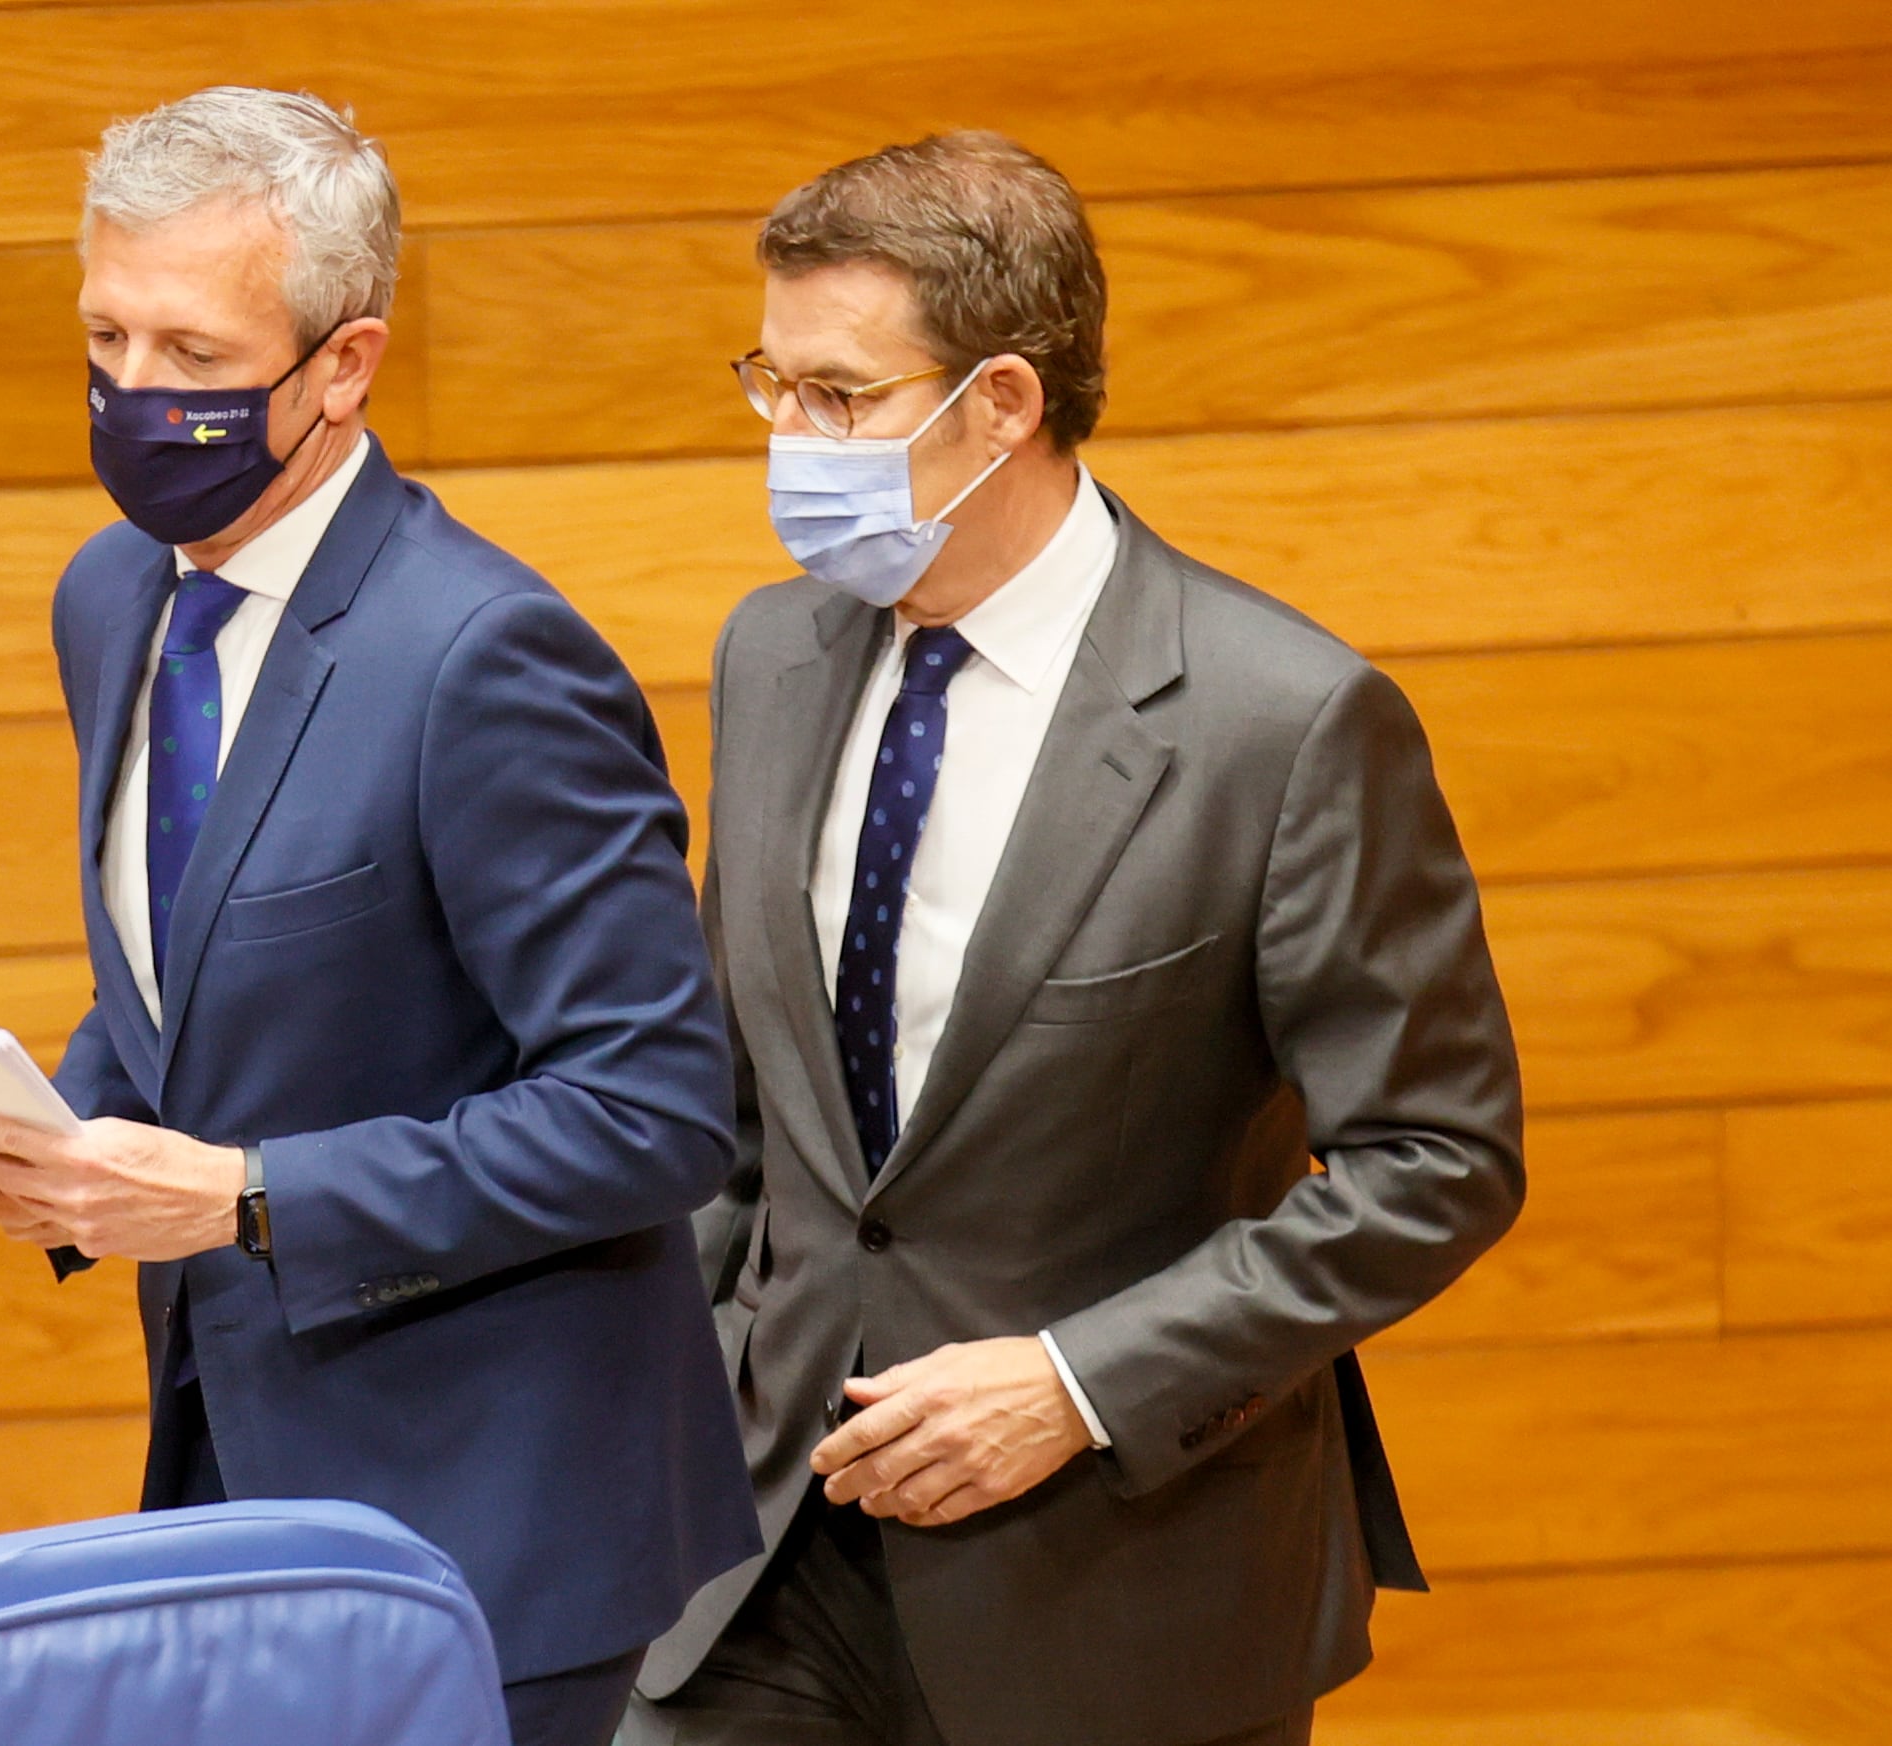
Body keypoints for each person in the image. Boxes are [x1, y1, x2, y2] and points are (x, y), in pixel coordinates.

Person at [626, 133, 1526, 1746]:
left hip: (1113, 1583)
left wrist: (1075, 1380)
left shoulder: (1284, 721)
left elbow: (1434, 1159)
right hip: (757, 1559)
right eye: (769, 382)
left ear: (1001, 405)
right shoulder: (770, 653)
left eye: (840, 400)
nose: (784, 440)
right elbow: (746, 1105)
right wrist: (682, 1378)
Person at [0, 87, 759, 1746]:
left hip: (484, 1513)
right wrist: (72, 1135)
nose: (136, 395)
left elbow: (656, 1112)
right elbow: (192, 967)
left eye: (193, 351)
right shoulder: (112, 596)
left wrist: (246, 1197)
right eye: (105, 335)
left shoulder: (481, 658)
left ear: (344, 363)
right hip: (234, 1449)